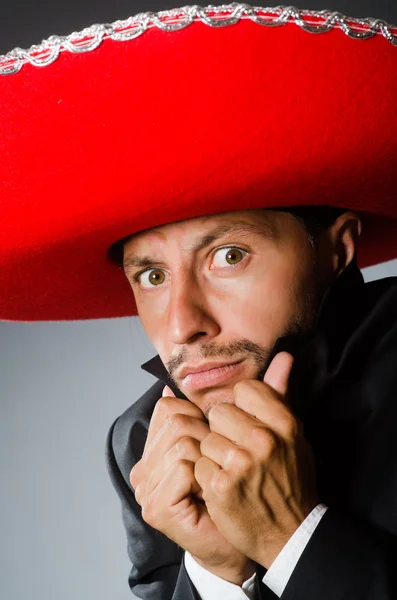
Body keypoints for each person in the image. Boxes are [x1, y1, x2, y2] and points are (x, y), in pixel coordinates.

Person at [1, 4, 397, 600]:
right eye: (153, 276)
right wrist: (215, 572)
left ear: (336, 250)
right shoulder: (142, 439)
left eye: (229, 256)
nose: (183, 325)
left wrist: (291, 538)